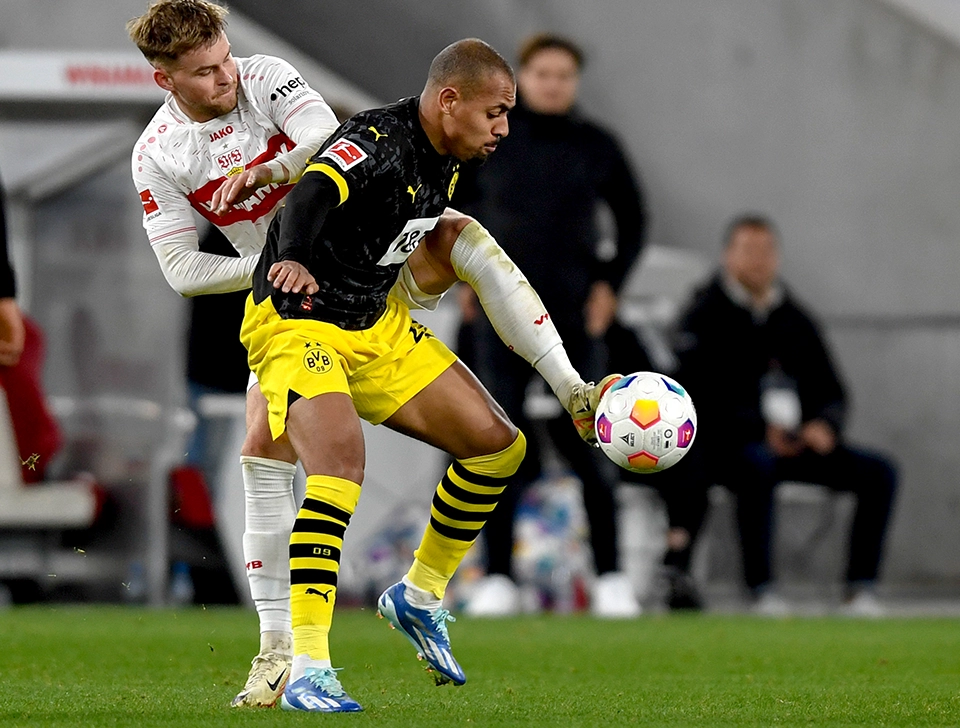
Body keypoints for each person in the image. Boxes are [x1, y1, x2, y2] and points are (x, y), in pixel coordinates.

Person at [241, 38, 615, 712]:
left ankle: (417, 596)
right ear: (449, 100)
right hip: (300, 322)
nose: (504, 127)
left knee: (500, 448)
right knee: (339, 470)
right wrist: (292, 256)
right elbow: (314, 191)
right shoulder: (378, 138)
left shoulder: (446, 158)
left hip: (373, 327)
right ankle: (308, 668)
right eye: (495, 112)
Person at [127, 0, 340, 707]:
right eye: (206, 73)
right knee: (261, 457)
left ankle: (571, 384)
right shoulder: (159, 153)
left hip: (366, 267)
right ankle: (279, 651)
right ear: (167, 81)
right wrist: (272, 268)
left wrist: (273, 175)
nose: (227, 78)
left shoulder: (264, 76)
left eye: (225, 58)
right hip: (289, 304)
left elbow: (327, 136)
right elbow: (183, 271)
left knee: (460, 235)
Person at [453, 34, 646, 618]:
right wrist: (460, 278)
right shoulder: (490, 138)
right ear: (521, 79)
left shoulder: (598, 146)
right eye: (542, 74)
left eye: (564, 75)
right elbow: (446, 208)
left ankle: (611, 577)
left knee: (596, 437)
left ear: (575, 81)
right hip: (497, 309)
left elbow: (634, 218)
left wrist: (611, 284)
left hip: (573, 311)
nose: (553, 84)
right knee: (497, 440)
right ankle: (499, 578)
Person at [674, 214, 898, 616]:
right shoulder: (703, 315)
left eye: (766, 251)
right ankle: (762, 588)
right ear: (728, 256)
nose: (758, 261)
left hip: (798, 444)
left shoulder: (795, 318)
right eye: (748, 251)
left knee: (879, 472)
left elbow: (832, 389)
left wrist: (825, 425)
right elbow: (697, 395)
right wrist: (759, 428)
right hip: (733, 447)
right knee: (756, 466)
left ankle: (860, 589)